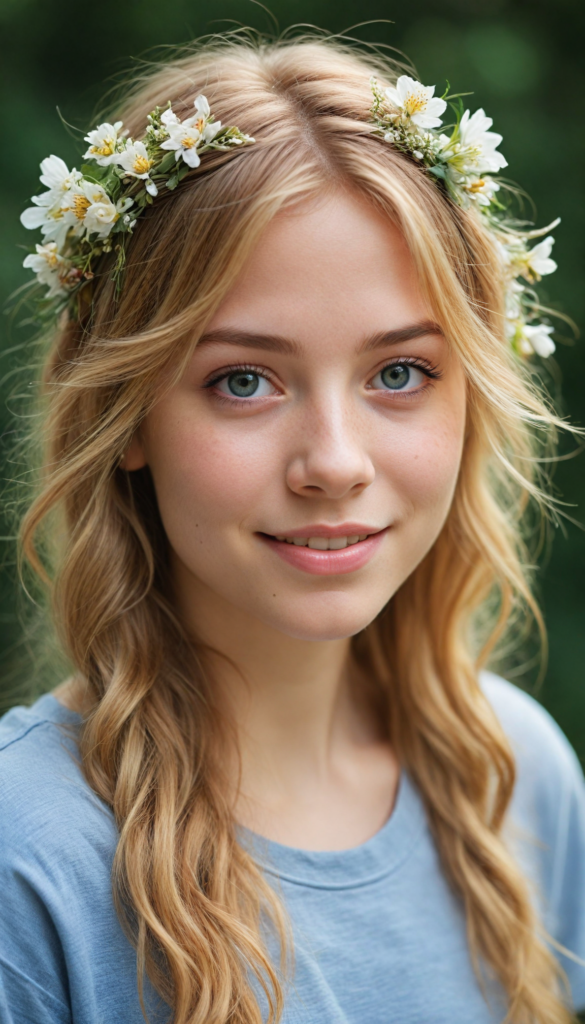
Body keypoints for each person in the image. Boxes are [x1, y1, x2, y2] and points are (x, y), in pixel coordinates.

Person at [1, 32, 584, 1024]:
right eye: (243, 381)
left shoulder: (518, 778)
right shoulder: (29, 856)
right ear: (128, 414)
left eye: (399, 373)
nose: (335, 461)